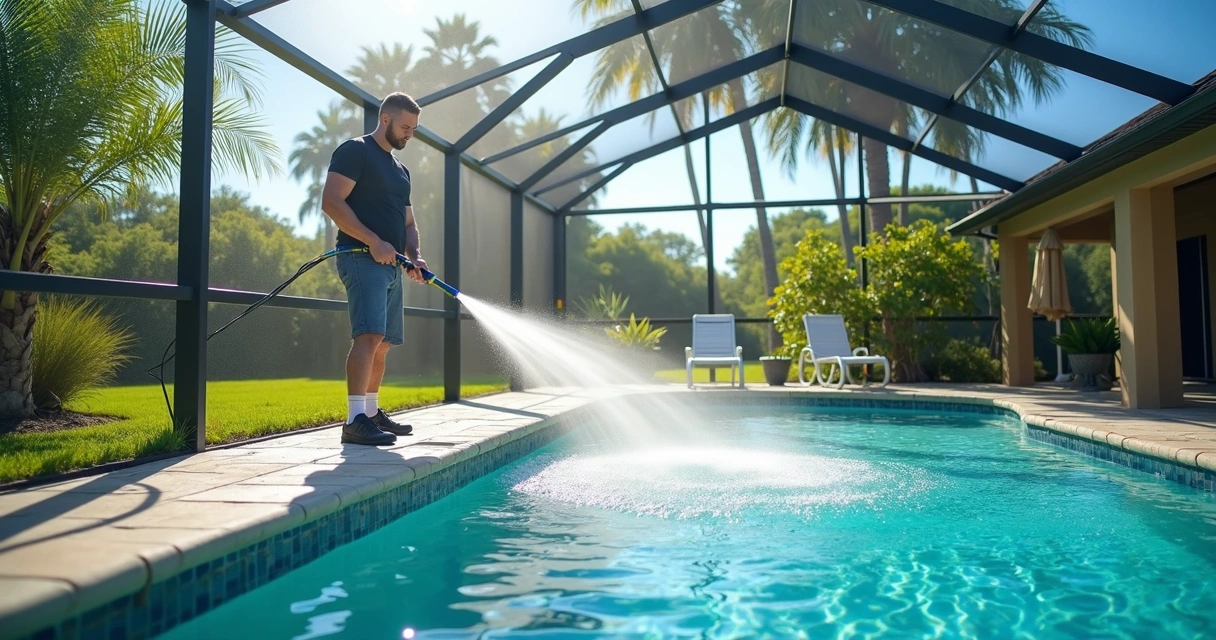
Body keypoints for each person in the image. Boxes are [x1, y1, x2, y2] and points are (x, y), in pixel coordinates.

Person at [322, 92, 429, 446]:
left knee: (383, 342)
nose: (409, 134)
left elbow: (410, 223)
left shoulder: (401, 170)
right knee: (368, 336)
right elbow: (331, 201)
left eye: (413, 129)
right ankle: (354, 420)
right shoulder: (356, 151)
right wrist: (373, 241)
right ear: (385, 119)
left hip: (392, 265)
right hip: (359, 256)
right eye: (405, 127)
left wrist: (415, 255)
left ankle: (369, 412)